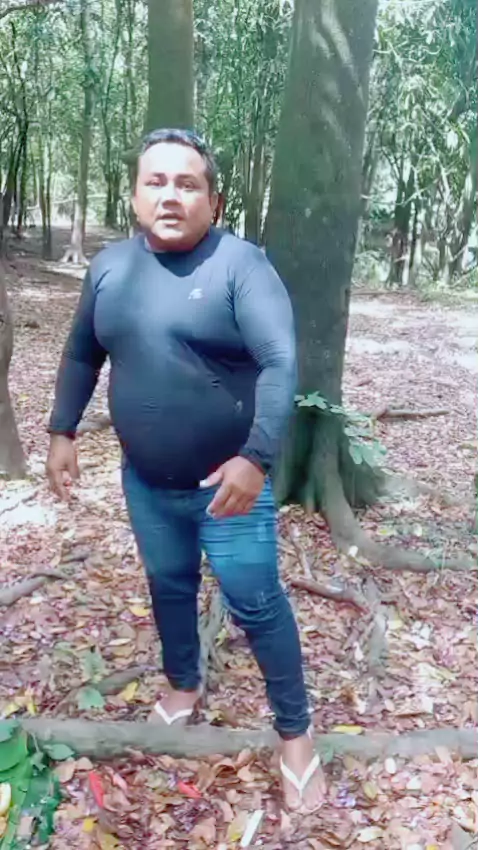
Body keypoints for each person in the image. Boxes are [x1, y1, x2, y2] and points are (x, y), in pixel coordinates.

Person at [46, 128, 324, 813]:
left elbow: (281, 362)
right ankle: (183, 684)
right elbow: (82, 353)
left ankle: (296, 736)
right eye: (156, 181)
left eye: (187, 183)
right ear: (135, 195)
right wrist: (62, 430)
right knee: (168, 584)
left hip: (228, 488)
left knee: (256, 604)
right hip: (145, 482)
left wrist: (256, 459)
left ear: (214, 201)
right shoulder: (111, 268)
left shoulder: (240, 266)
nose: (170, 195)